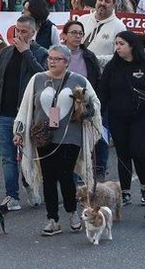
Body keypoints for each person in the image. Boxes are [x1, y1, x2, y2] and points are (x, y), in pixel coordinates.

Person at [15, 43, 104, 235]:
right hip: (43, 136)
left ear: (67, 62)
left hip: (70, 137)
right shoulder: (37, 79)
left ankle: (72, 213)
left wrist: (84, 105)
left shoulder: (79, 80)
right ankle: (52, 219)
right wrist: (19, 132)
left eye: (57, 59)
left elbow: (95, 105)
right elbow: (25, 107)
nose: (52, 62)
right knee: (48, 178)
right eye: (50, 58)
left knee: (65, 176)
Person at [0, 16, 47, 206]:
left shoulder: (41, 53)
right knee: (8, 159)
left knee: (28, 157)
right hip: (5, 114)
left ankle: (30, 186)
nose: (19, 34)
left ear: (33, 32)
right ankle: (12, 196)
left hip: (28, 115)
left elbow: (42, 78)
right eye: (17, 30)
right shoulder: (5, 53)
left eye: (24, 31)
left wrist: (27, 53)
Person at [98, 30, 145, 206]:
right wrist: (98, 114)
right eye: (116, 44)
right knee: (123, 154)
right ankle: (125, 191)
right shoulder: (112, 67)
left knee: (138, 152)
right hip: (117, 117)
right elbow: (103, 92)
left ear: (132, 46)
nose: (118, 47)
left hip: (142, 116)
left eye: (121, 44)